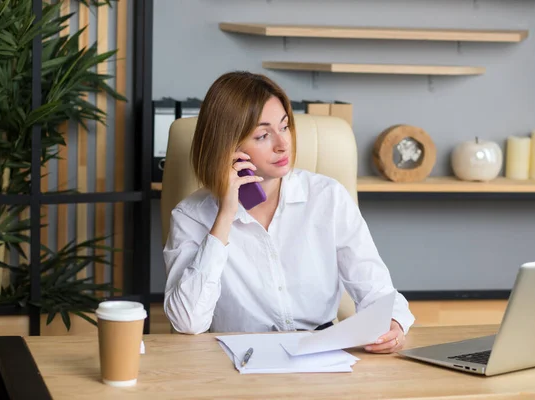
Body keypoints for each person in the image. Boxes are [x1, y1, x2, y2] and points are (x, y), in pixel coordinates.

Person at [163, 71, 415, 354]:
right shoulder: (191, 216)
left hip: (322, 355)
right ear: (227, 147)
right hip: (236, 359)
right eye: (262, 135)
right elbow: (187, 321)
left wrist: (393, 323)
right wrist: (225, 216)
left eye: (284, 127)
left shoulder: (327, 197)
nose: (283, 144)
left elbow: (377, 291)